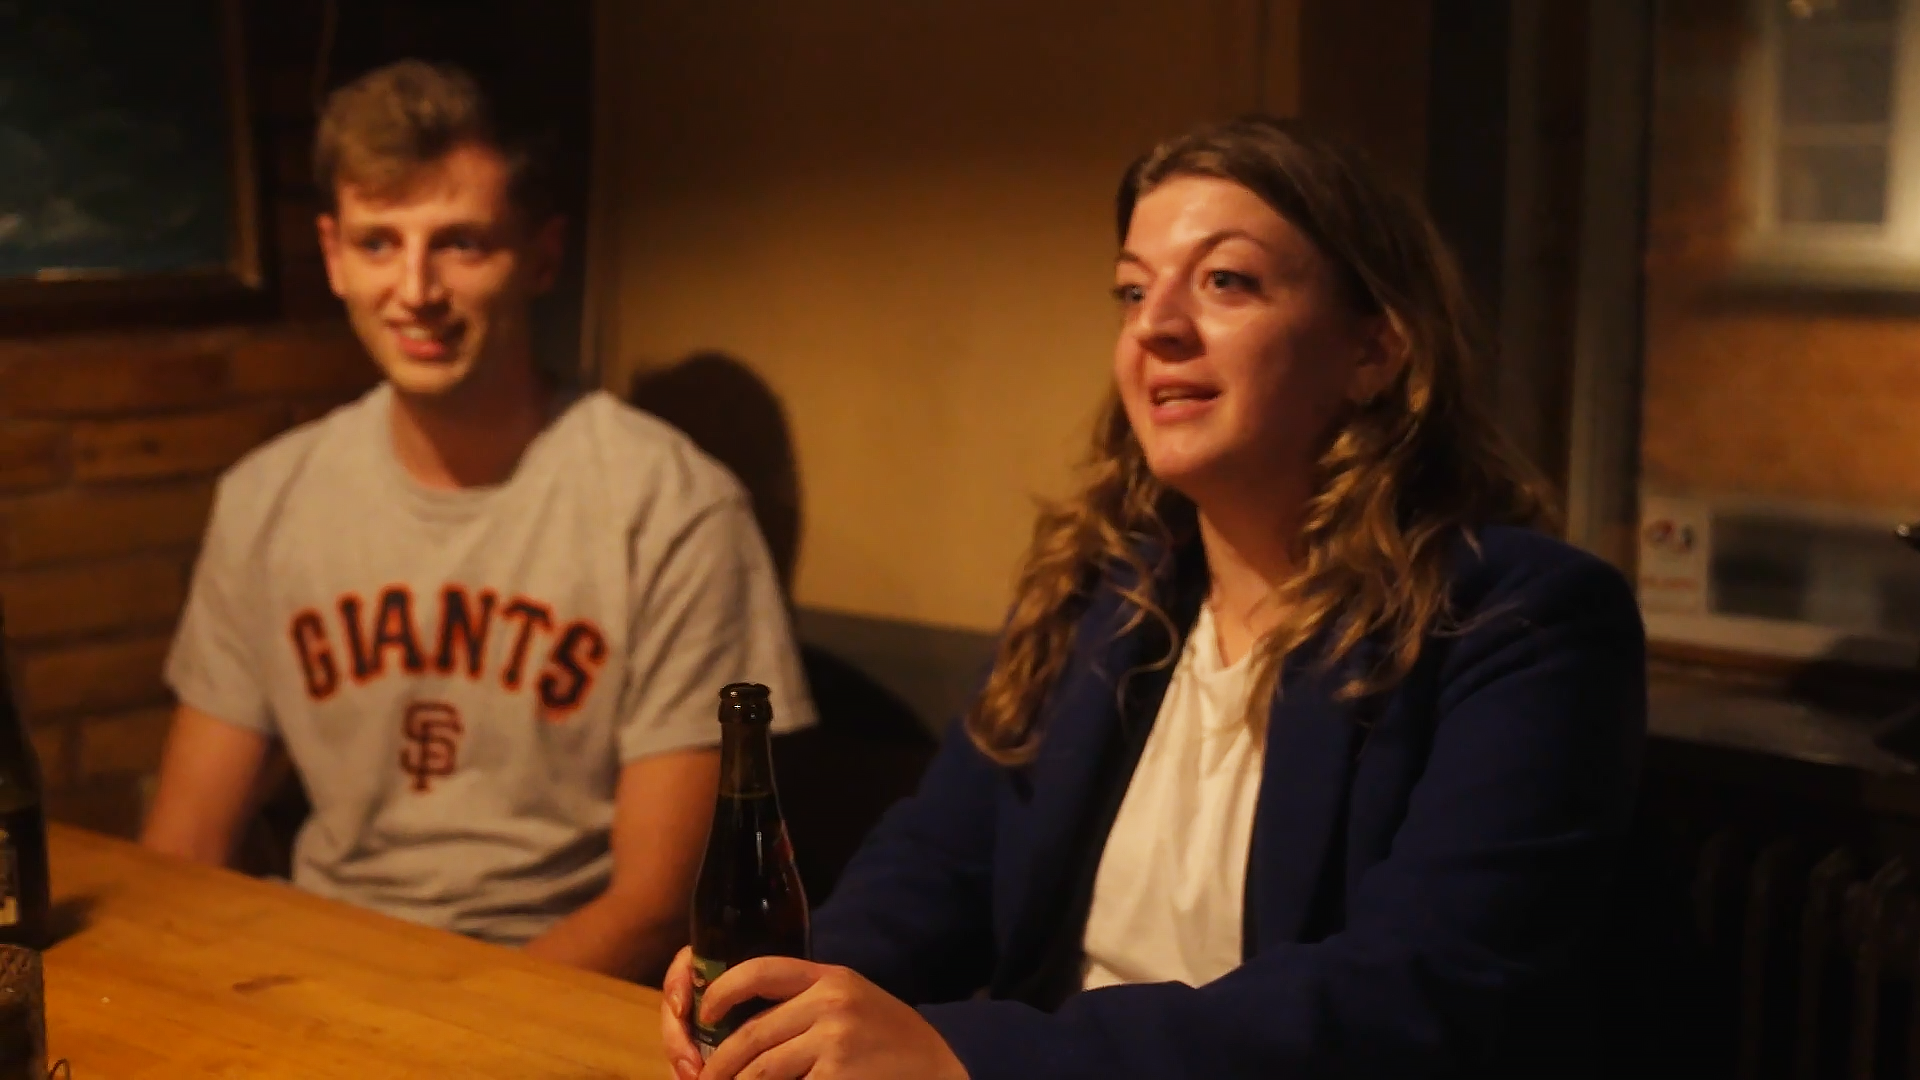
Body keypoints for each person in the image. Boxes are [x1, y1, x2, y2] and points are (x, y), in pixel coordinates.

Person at [658, 114, 1647, 1079]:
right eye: (1133, 291)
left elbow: (1417, 994)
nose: (1157, 329)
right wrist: (793, 995)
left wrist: (971, 1055)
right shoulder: (1100, 591)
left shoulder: (1526, 618)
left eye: (1226, 281)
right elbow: (938, 865)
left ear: (1374, 350)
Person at [139, 60, 813, 984]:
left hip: (550, 993)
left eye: (460, 243)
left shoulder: (674, 507)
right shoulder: (267, 496)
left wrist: (426, 1026)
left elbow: (658, 907)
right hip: (314, 974)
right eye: (379, 243)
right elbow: (185, 844)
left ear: (540, 255)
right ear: (333, 255)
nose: (415, 288)